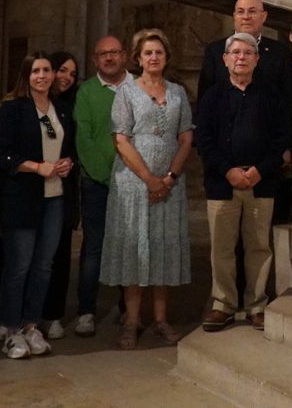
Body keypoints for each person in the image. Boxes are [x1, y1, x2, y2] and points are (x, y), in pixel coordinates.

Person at [100, 29, 193, 348]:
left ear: (166, 57)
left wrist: (169, 177)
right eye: (148, 53)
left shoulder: (178, 92)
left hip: (170, 184)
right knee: (136, 250)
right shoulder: (126, 92)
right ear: (138, 58)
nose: (154, 57)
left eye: (159, 52)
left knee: (163, 247)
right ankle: (131, 321)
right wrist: (150, 179)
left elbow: (186, 138)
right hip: (133, 183)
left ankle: (161, 319)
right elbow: (121, 139)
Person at [195, 33, 292, 332]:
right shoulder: (212, 96)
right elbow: (204, 141)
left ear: (256, 59)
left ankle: (256, 305)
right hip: (223, 184)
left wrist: (260, 171)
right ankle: (223, 304)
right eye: (235, 52)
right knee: (222, 249)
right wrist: (229, 171)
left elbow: (282, 139)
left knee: (258, 248)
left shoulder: (270, 95)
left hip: (260, 183)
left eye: (247, 53)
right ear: (225, 59)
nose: (241, 57)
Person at [0, 52, 75, 359]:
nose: (42, 75)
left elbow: (66, 148)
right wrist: (36, 167)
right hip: (23, 198)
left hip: (55, 197)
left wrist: (67, 163)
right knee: (19, 266)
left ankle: (31, 325)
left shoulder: (62, 110)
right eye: (36, 71)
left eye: (47, 70)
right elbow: (2, 154)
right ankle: (11, 330)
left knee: (43, 266)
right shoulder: (13, 109)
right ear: (26, 76)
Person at [197, 0, 292, 224]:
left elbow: (289, 102)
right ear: (233, 16)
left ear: (264, 16)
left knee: (261, 234)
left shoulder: (280, 52)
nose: (246, 16)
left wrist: (288, 147)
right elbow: (204, 104)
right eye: (241, 11)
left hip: (267, 157)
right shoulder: (214, 51)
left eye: (252, 11)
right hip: (224, 158)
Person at [73, 35, 133, 336]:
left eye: (114, 53)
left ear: (124, 56)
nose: (108, 58)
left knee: (129, 245)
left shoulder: (139, 87)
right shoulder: (86, 92)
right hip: (96, 182)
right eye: (102, 54)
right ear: (95, 59)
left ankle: (128, 308)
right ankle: (86, 310)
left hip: (133, 182)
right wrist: (105, 175)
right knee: (94, 247)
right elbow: (83, 138)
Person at [42, 51, 79, 338]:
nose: (66, 77)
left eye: (72, 73)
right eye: (62, 70)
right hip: (33, 188)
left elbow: (75, 144)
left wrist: (71, 161)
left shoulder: (70, 106)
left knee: (60, 254)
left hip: (63, 189)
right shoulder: (27, 104)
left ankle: (53, 314)